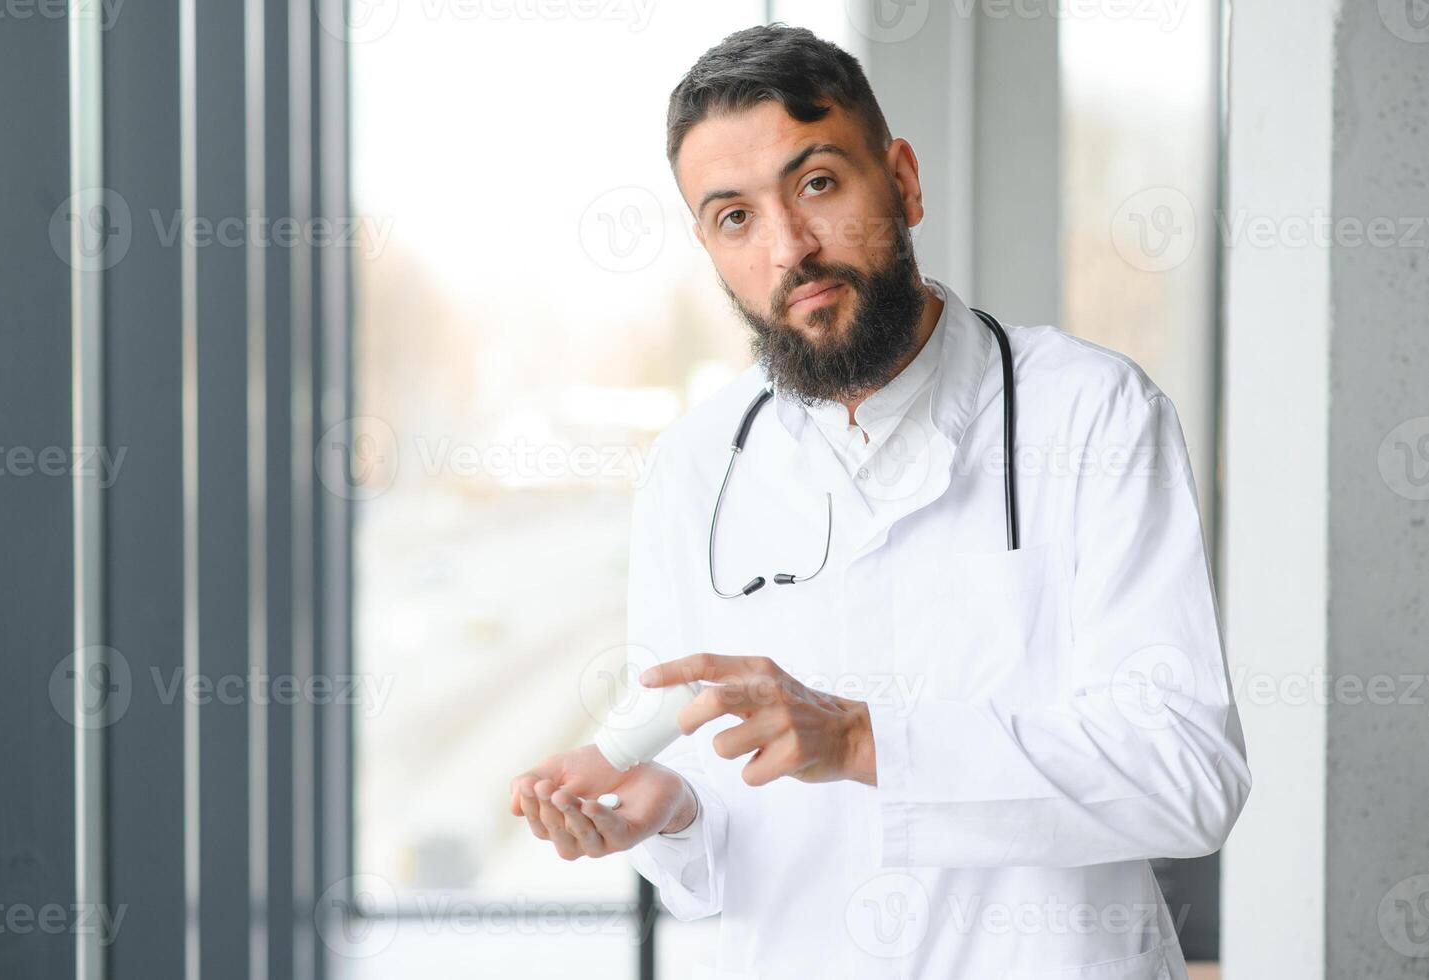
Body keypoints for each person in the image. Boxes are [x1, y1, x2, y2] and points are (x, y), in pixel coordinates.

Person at [509, 23, 1250, 979]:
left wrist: (861, 738)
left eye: (817, 184)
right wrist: (670, 814)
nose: (789, 249)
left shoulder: (1091, 414)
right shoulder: (694, 468)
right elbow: (713, 854)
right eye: (735, 218)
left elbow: (1186, 780)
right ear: (709, 246)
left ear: (900, 179)